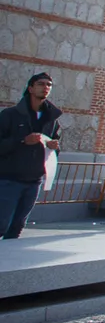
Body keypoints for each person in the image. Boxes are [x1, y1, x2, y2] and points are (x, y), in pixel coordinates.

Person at [0, 73, 62, 239]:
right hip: (8, 180)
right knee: (1, 224)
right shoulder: (10, 115)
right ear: (30, 88)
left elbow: (55, 149)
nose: (46, 87)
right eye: (41, 84)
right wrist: (22, 141)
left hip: (34, 181)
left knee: (17, 227)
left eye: (49, 84)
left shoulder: (52, 119)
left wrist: (54, 147)